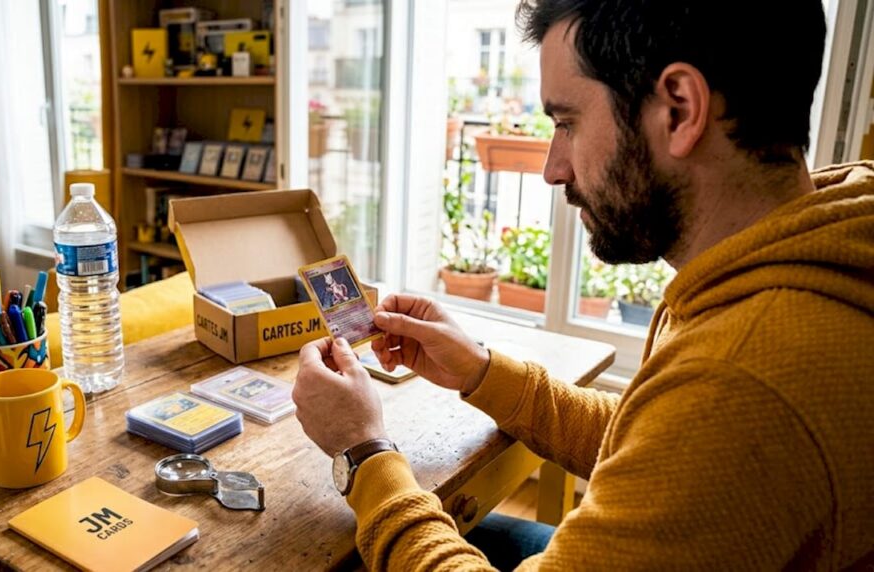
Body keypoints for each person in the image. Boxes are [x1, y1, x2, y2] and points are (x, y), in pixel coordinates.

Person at [292, 0, 874, 569]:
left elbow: (698, 428)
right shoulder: (818, 244)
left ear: (679, 109)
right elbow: (654, 446)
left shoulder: (741, 380)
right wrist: (479, 369)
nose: (552, 168)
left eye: (567, 122)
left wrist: (363, 451)